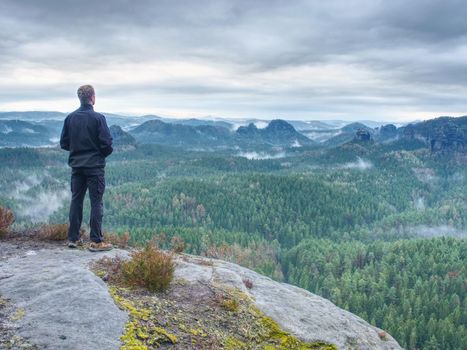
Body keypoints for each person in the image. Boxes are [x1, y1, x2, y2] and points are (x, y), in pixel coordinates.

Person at [60, 85, 113, 252]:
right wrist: (98, 154)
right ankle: (96, 241)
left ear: (80, 98)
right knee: (96, 202)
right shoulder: (98, 119)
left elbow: (64, 143)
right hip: (95, 167)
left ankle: (73, 238)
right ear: (93, 98)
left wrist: (77, 150)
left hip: (77, 167)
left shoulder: (70, 118)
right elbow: (107, 145)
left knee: (76, 200)